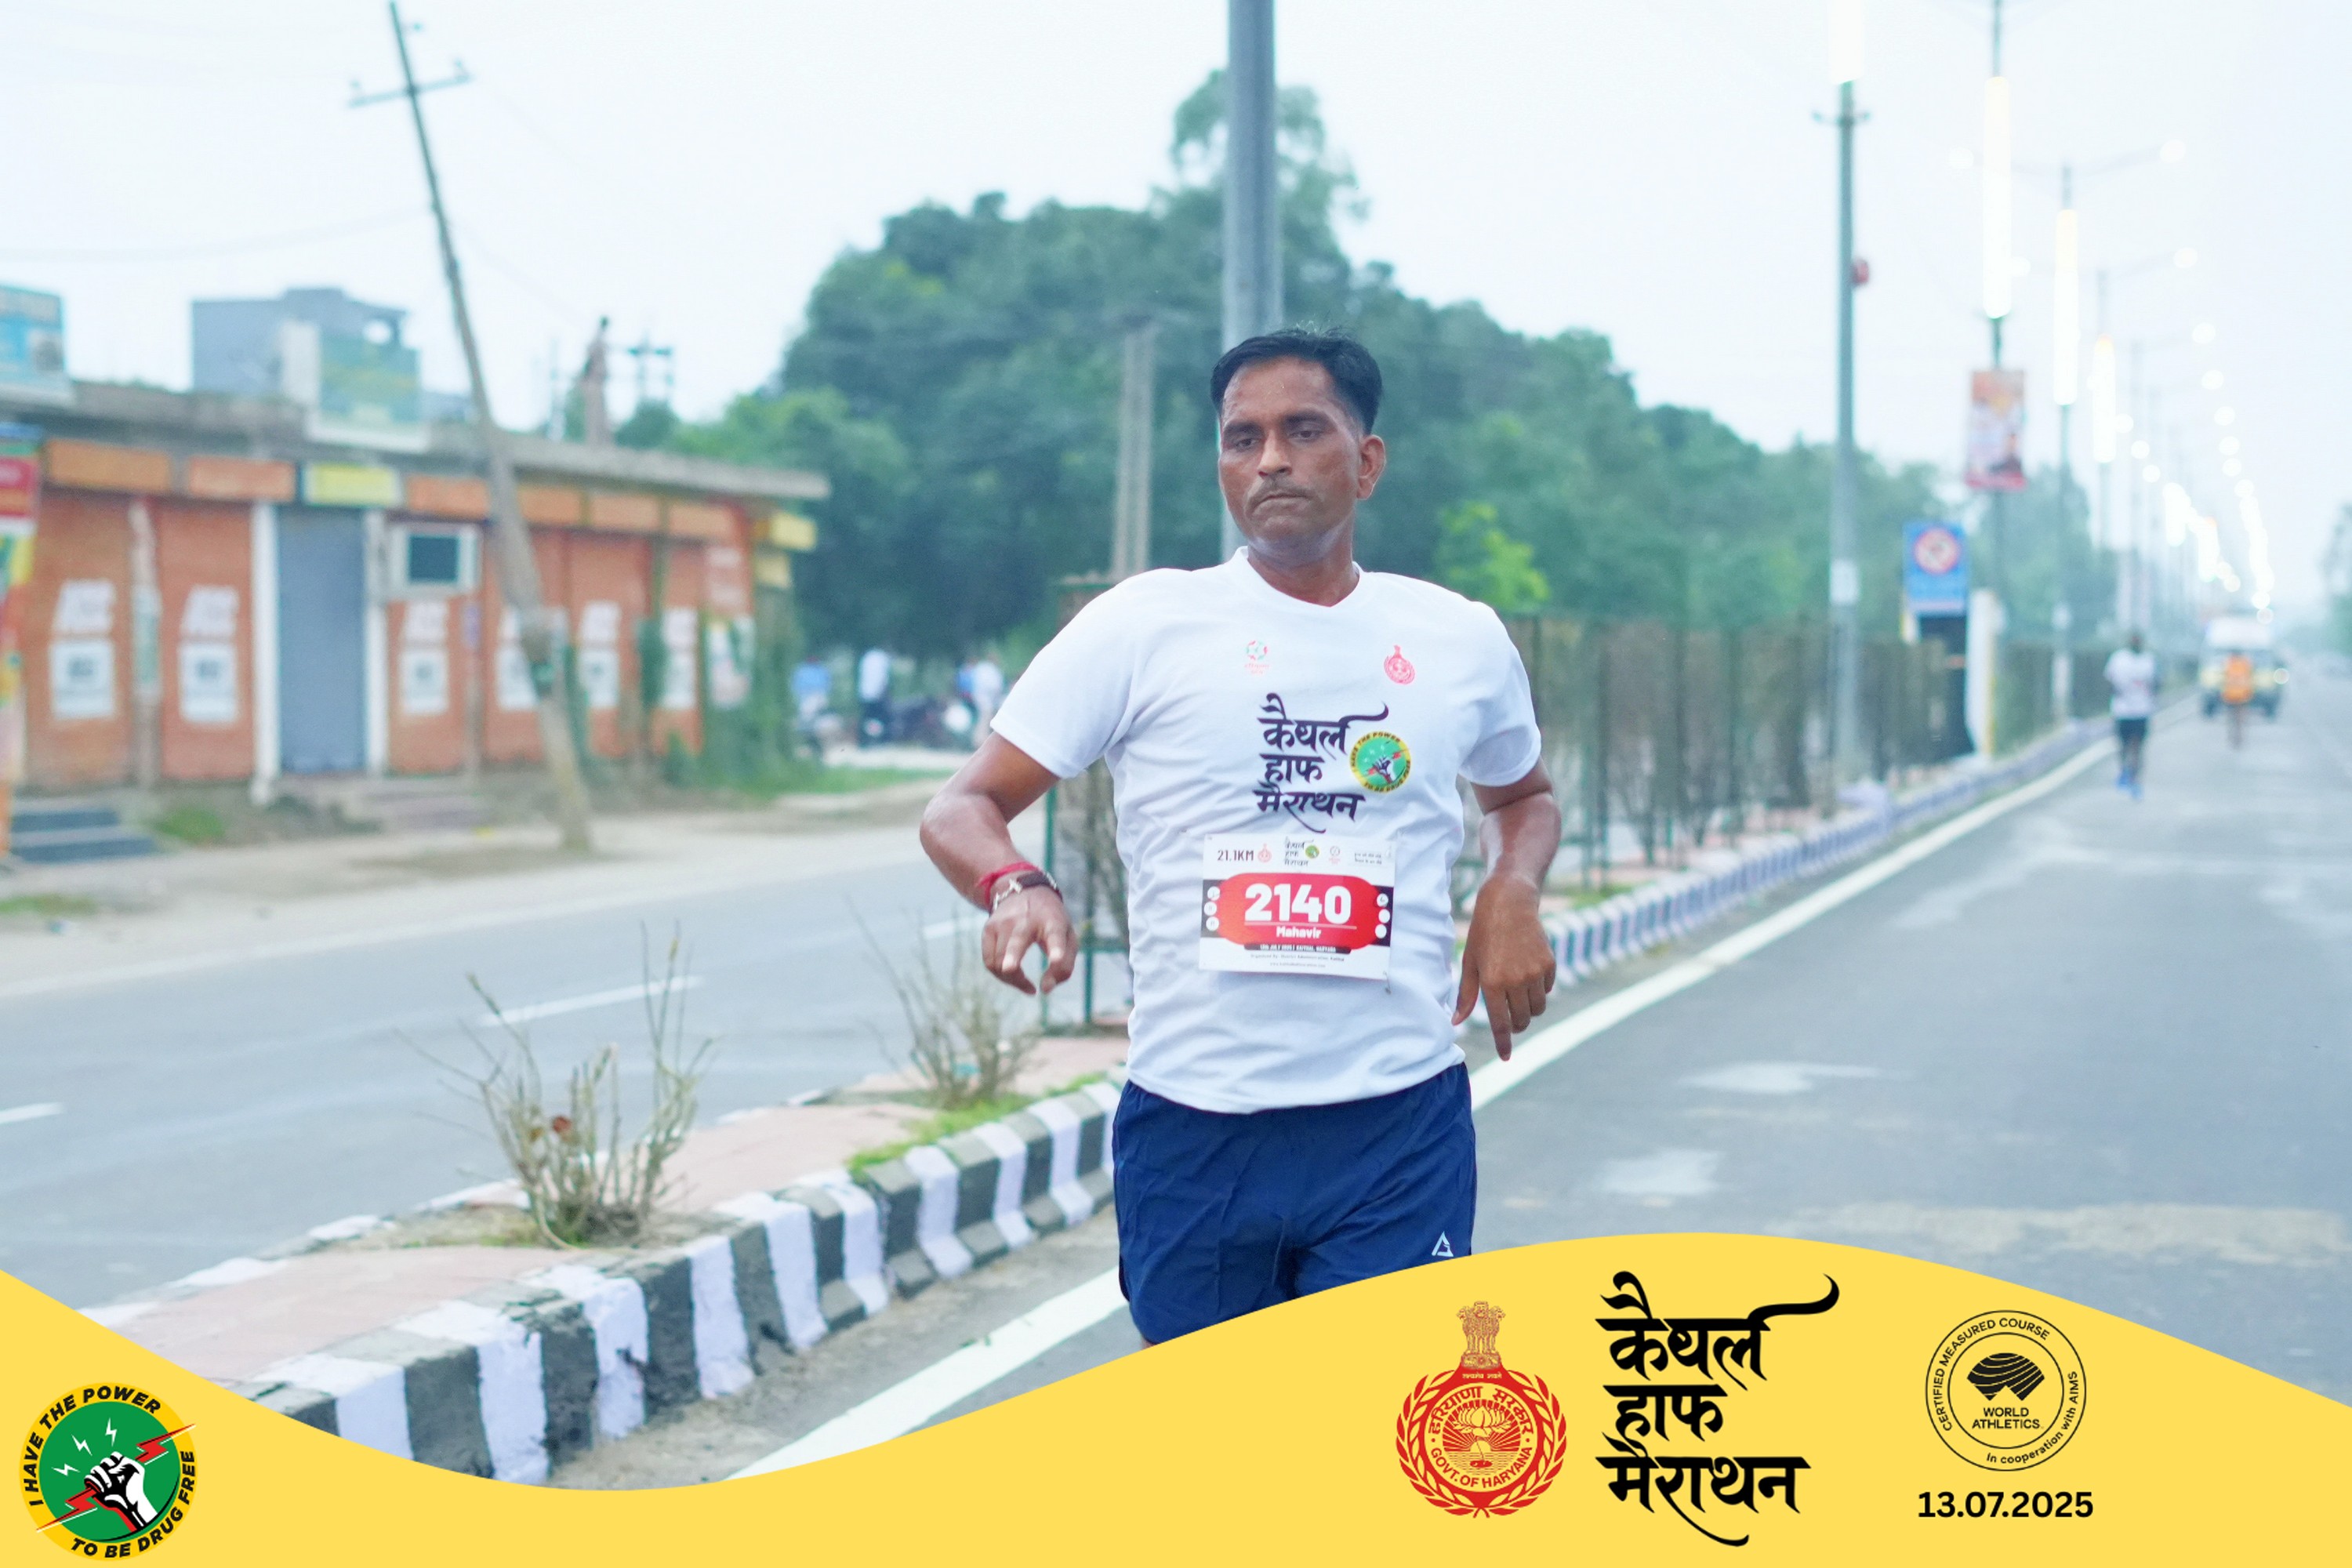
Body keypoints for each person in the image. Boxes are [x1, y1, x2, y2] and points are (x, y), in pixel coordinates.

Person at [920, 328, 1561, 1345]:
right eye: (1242, 438)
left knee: (1375, 1418)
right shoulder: (1144, 626)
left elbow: (1523, 796)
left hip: (1395, 1121)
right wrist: (1015, 886)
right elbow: (962, 806)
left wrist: (1511, 889)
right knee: (1217, 1433)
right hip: (1196, 1127)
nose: (1270, 460)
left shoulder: (1457, 637)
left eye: (1303, 431)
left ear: (1368, 461)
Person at [2103, 630, 2158, 797]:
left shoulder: (2148, 660)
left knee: (2137, 747)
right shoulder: (2119, 659)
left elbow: (2155, 683)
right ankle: (2125, 772)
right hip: (2124, 710)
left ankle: (2134, 778)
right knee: (2124, 745)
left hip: (2140, 710)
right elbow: (2109, 681)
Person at [2220, 648, 2256, 750]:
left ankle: (2231, 735)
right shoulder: (2246, 664)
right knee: (2241, 717)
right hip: (2242, 695)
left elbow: (2223, 679)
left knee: (2230, 716)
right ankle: (2239, 737)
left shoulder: (2228, 663)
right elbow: (2250, 679)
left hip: (2230, 695)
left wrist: (2223, 693)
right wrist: (2250, 693)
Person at [856, 645, 892, 746]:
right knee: (880, 718)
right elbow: (883, 678)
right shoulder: (883, 658)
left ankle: (865, 740)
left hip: (865, 693)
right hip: (878, 694)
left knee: (867, 718)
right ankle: (880, 740)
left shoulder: (866, 657)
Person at [966, 652, 1005, 739]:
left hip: (986, 698)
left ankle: (983, 737)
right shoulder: (988, 669)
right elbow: (993, 685)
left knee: (986, 717)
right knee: (985, 717)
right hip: (984, 698)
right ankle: (980, 738)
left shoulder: (984, 668)